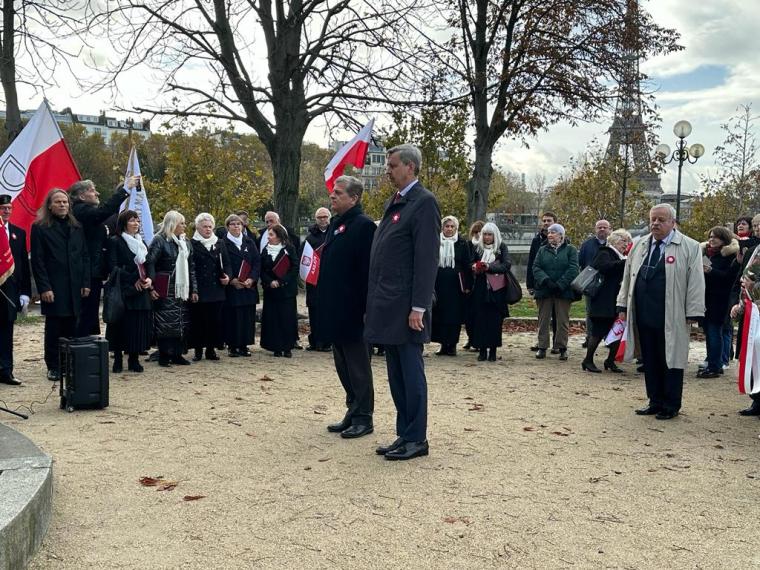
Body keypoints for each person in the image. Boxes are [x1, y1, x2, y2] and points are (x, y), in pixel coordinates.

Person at [365, 143, 440, 461]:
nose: (388, 171)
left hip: (407, 307)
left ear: (410, 166)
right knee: (396, 375)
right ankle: (404, 433)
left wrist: (419, 306)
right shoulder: (396, 201)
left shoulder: (424, 202)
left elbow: (426, 259)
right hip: (388, 303)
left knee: (411, 373)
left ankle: (417, 438)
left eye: (392, 165)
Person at [616, 204, 705, 420]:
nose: (655, 223)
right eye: (653, 219)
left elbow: (696, 281)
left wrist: (693, 311)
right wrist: (622, 305)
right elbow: (628, 276)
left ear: (673, 222)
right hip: (644, 312)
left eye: (661, 220)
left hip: (672, 314)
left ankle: (671, 404)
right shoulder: (639, 245)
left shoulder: (690, 246)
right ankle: (654, 400)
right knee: (650, 358)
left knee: (671, 359)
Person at [317, 175, 377, 439]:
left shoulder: (364, 226)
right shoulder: (336, 224)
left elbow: (368, 271)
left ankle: (364, 417)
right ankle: (352, 409)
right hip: (336, 308)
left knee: (358, 366)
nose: (332, 196)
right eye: (333, 192)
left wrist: (366, 309)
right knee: (342, 363)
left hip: (354, 310)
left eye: (338, 193)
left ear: (354, 198)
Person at [30, 189, 91, 381]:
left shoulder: (77, 227)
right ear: (50, 205)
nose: (62, 205)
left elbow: (84, 256)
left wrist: (86, 282)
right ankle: (54, 366)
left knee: (72, 327)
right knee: (54, 328)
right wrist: (44, 287)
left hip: (75, 286)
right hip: (54, 287)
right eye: (58, 202)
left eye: (65, 201)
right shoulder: (40, 228)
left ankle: (68, 363)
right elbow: (38, 261)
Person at [68, 177, 134, 336]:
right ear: (82, 196)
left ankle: (87, 341)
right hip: (87, 271)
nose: (97, 193)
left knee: (91, 311)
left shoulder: (86, 212)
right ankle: (82, 342)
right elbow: (103, 211)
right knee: (86, 311)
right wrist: (124, 190)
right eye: (92, 190)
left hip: (94, 269)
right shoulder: (81, 210)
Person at [146, 210, 198, 367]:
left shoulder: (185, 242)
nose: (184, 226)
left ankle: (177, 354)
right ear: (172, 224)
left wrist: (194, 289)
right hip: (165, 286)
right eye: (181, 223)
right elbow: (150, 263)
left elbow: (191, 267)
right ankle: (164, 355)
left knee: (181, 320)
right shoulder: (160, 240)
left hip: (182, 287)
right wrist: (151, 287)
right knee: (165, 321)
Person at [105, 210, 153, 373]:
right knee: (120, 326)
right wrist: (134, 279)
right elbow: (113, 266)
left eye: (138, 221)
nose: (136, 224)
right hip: (123, 289)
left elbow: (149, 264)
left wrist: (149, 279)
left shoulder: (142, 242)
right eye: (132, 220)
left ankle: (134, 359)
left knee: (136, 326)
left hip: (141, 290)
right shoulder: (115, 241)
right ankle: (118, 359)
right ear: (124, 223)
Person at [582, 229, 631, 374]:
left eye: (627, 241)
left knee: (617, 330)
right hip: (603, 301)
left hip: (615, 300)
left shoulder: (620, 256)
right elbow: (604, 267)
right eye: (624, 241)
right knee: (598, 332)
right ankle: (588, 360)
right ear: (615, 240)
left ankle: (610, 360)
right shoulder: (605, 252)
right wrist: (624, 263)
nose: (626, 244)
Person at [532, 223, 579, 361]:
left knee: (562, 320)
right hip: (545, 290)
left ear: (561, 235)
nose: (550, 235)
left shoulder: (570, 250)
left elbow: (573, 268)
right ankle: (542, 347)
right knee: (543, 319)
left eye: (553, 232)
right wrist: (546, 281)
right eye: (549, 232)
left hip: (563, 291)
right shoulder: (542, 250)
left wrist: (560, 284)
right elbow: (536, 267)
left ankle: (562, 347)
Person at [697, 226, 738, 378]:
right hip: (706, 299)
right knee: (709, 332)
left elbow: (729, 278)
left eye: (715, 237)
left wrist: (711, 271)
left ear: (724, 239)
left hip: (720, 301)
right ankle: (713, 363)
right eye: (710, 236)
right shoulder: (708, 254)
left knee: (715, 332)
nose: (711, 239)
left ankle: (715, 366)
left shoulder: (730, 256)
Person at [190, 213, 231, 361]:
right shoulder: (192, 243)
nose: (208, 229)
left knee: (214, 320)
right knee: (199, 320)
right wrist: (193, 289)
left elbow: (227, 263)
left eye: (210, 227)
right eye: (204, 227)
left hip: (216, 288)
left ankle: (211, 349)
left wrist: (228, 277)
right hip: (200, 288)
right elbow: (190, 267)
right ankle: (198, 350)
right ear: (198, 228)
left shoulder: (219, 243)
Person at [469, 222, 511, 362]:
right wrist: (475, 266)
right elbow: (470, 262)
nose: (487, 237)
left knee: (494, 321)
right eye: (485, 234)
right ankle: (482, 350)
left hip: (497, 289)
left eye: (490, 235)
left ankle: (493, 350)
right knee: (480, 319)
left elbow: (506, 265)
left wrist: (489, 267)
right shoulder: (477, 248)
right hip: (480, 288)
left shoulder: (501, 248)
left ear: (495, 235)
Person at [0, 195, 31, 385]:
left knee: (6, 332)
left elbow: (23, 266)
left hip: (10, 291)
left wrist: (25, 292)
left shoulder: (18, 233)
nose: (6, 211)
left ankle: (6, 371)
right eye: (3, 208)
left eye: (9, 208)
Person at [222, 214, 261, 357]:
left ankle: (244, 345)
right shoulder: (223, 243)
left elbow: (257, 262)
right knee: (233, 317)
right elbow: (222, 263)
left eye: (238, 224)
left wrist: (252, 279)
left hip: (248, 286)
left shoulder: (249, 242)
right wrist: (232, 280)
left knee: (247, 317)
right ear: (228, 226)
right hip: (233, 286)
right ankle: (232, 346)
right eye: (233, 224)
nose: (236, 226)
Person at [431, 215, 470, 356]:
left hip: (456, 286)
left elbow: (467, 265)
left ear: (456, 228)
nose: (449, 229)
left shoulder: (462, 243)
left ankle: (452, 345)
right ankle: (443, 344)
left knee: (453, 316)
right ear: (442, 227)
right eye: (447, 226)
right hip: (439, 283)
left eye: (452, 226)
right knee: (440, 314)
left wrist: (467, 285)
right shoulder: (436, 241)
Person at [260, 224, 299, 357]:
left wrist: (281, 281)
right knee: (273, 319)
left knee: (287, 319)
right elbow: (262, 269)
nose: (268, 238)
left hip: (286, 291)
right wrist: (269, 281)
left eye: (271, 235)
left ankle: (287, 347)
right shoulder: (265, 250)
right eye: (268, 235)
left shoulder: (289, 248)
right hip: (271, 291)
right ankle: (275, 346)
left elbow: (294, 267)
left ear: (279, 236)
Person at [527, 212, 559, 353]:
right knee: (543, 316)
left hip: (558, 284)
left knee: (558, 316)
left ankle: (557, 343)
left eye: (549, 220)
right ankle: (541, 342)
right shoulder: (536, 240)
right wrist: (530, 284)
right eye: (544, 220)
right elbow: (531, 263)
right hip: (541, 283)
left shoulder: (563, 240)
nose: (546, 223)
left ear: (555, 222)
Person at [578, 219, 612, 348]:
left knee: (610, 312)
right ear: (595, 229)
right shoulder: (587, 245)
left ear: (609, 229)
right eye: (599, 227)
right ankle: (590, 337)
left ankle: (609, 339)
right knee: (590, 312)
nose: (602, 229)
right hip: (591, 283)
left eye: (604, 227)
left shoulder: (613, 244)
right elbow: (581, 262)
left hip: (609, 283)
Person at [303, 207, 331, 351]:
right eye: (320, 217)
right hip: (314, 281)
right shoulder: (310, 238)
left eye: (325, 216)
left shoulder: (334, 233)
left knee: (328, 311)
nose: (323, 219)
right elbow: (304, 259)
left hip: (330, 280)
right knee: (314, 311)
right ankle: (314, 341)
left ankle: (327, 342)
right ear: (316, 219)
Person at [462, 220, 485, 352]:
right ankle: (471, 338)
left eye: (479, 232)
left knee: (479, 314)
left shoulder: (485, 247)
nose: (477, 234)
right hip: (470, 283)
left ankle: (478, 339)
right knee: (468, 315)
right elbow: (466, 264)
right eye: (475, 232)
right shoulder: (468, 245)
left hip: (482, 284)